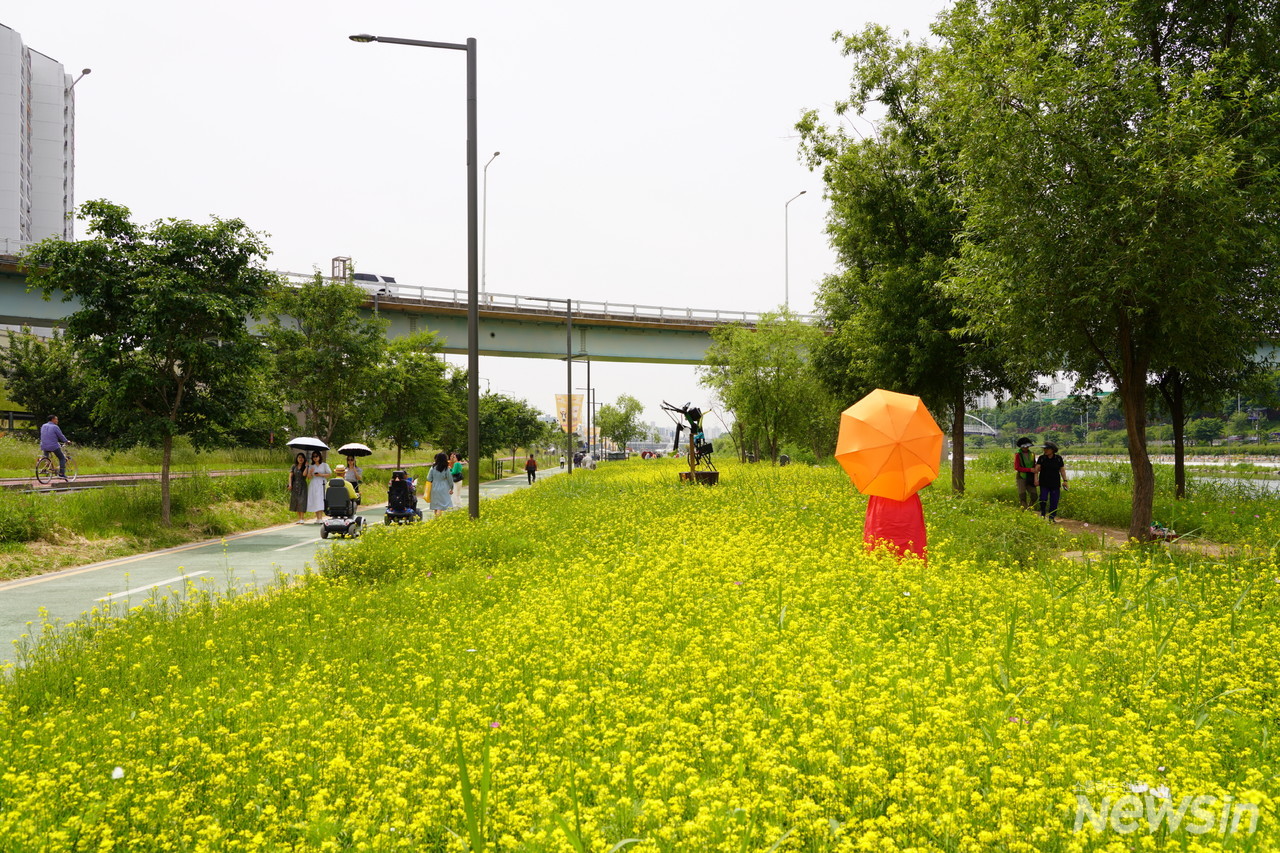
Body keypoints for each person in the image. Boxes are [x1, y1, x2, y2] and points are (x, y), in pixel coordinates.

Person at [1034, 441, 1069, 522]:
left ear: (1053, 450)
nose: (1045, 450)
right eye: (1044, 449)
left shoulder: (1058, 458)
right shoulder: (1041, 458)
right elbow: (1036, 470)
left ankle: (1051, 517)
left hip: (1055, 483)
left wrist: (1065, 480)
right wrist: (1036, 480)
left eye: (1047, 449)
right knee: (1043, 499)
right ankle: (1042, 514)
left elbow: (1062, 470)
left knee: (1054, 501)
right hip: (1044, 482)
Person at [39, 415, 71, 480]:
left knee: (46, 458)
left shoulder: (43, 426)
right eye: (56, 419)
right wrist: (66, 441)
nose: (57, 421)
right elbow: (60, 436)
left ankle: (45, 468)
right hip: (53, 446)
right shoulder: (55, 427)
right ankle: (61, 474)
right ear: (53, 419)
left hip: (44, 445)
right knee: (62, 458)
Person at [306, 450, 331, 523]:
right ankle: (318, 518)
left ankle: (320, 517)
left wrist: (321, 475)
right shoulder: (311, 466)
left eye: (316, 456)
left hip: (321, 482)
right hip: (314, 483)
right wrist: (310, 472)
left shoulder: (324, 465)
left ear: (320, 457)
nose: (315, 458)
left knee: (321, 499)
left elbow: (329, 474)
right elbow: (309, 477)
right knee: (315, 499)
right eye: (313, 456)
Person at [427, 451, 454, 518]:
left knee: (436, 505)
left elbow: (429, 478)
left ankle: (436, 518)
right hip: (444, 487)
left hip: (434, 487)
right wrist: (451, 488)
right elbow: (450, 479)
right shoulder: (446, 468)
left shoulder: (432, 468)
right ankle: (438, 519)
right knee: (441, 505)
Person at [1013, 437, 1037, 510]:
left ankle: (1029, 508)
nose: (1026, 448)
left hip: (1030, 477)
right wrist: (1029, 470)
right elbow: (1017, 467)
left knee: (1034, 495)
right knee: (1022, 496)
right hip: (1021, 476)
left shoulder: (1032, 454)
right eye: (1025, 446)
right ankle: (1024, 511)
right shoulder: (1018, 455)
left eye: (1027, 446)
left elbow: (1034, 464)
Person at [288, 451, 309, 522]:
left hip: (302, 485)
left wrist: (306, 467)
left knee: (302, 501)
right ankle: (299, 518)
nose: (301, 459)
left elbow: (304, 475)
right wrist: (290, 484)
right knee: (296, 501)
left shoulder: (305, 467)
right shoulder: (293, 466)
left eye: (302, 457)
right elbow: (290, 476)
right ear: (297, 458)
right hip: (295, 485)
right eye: (299, 457)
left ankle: (302, 518)